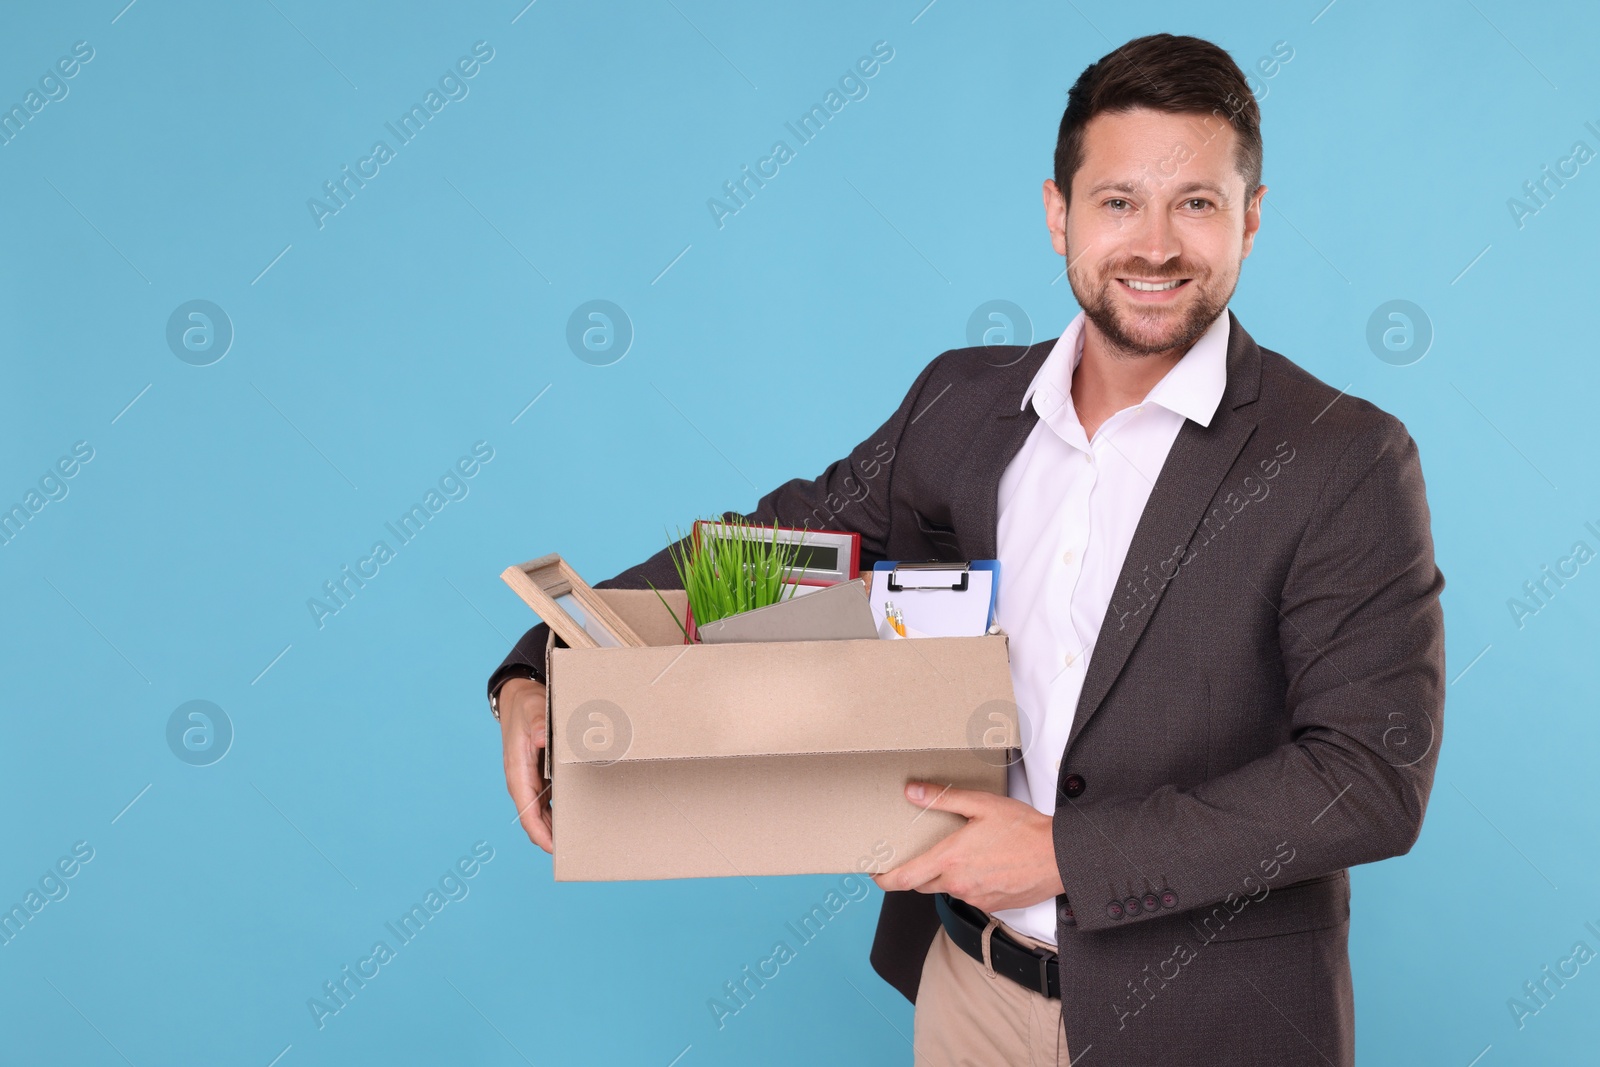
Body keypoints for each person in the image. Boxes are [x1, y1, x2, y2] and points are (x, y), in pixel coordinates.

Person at [486, 33, 1445, 1066]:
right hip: (967, 992)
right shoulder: (964, 402)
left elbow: (1366, 776)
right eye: (1119, 201)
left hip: (1205, 1017)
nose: (1155, 245)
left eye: (1197, 204)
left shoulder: (1342, 457)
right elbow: (765, 558)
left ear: (1250, 219)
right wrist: (549, 658)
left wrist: (1063, 855)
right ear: (1057, 215)